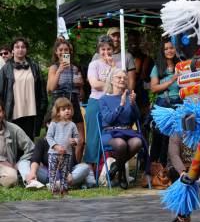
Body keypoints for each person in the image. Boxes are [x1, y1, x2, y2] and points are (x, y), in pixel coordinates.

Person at [99, 69, 146, 189]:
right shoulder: (104, 99)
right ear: (112, 80)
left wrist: (133, 103)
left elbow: (137, 117)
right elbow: (108, 119)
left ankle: (115, 166)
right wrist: (121, 105)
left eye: (124, 78)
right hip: (110, 132)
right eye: (119, 77)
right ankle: (122, 175)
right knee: (121, 144)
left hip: (127, 131)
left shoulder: (130, 95)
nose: (122, 80)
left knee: (137, 142)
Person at [26, 111, 91, 189]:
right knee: (31, 167)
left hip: (67, 173)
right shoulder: (41, 142)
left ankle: (58, 184)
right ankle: (64, 184)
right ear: (48, 124)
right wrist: (33, 172)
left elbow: (72, 161)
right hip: (49, 174)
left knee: (85, 168)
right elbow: (35, 159)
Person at [83, 35, 120, 171]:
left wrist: (113, 68)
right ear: (98, 50)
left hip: (112, 101)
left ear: (113, 49)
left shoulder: (118, 64)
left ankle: (112, 167)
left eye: (109, 49)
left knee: (113, 134)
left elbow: (121, 82)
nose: (106, 52)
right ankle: (90, 169)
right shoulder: (94, 64)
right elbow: (94, 84)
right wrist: (111, 83)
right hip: (96, 101)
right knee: (93, 135)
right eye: (103, 49)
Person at [0, 37, 48, 141]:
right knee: (13, 145)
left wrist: (42, 109)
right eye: (17, 47)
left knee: (29, 145)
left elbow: (42, 92)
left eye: (23, 47)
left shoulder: (35, 67)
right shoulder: (5, 69)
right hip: (13, 113)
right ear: (12, 50)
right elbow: (1, 93)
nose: (20, 49)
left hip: (31, 112)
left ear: (26, 50)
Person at [47, 38, 85, 163]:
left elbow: (81, 92)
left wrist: (80, 85)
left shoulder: (75, 68)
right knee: (58, 138)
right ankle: (57, 166)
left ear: (70, 51)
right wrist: (59, 71)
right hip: (59, 103)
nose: (63, 52)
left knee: (81, 139)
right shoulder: (53, 67)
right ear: (56, 52)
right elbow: (51, 88)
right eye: (61, 50)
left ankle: (76, 166)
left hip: (73, 101)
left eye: (66, 50)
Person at [150, 37, 180, 167]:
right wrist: (172, 80)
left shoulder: (181, 65)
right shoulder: (157, 68)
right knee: (160, 137)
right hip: (163, 105)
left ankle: (173, 166)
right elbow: (154, 88)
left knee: (176, 138)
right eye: (166, 49)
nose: (169, 51)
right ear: (162, 51)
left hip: (179, 104)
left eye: (171, 48)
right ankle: (156, 167)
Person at [46, 97, 79, 196]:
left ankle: (64, 189)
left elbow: (77, 137)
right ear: (58, 112)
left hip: (67, 153)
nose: (67, 111)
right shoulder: (54, 124)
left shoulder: (72, 125)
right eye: (63, 109)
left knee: (65, 172)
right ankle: (54, 190)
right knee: (53, 172)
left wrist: (74, 141)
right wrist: (56, 146)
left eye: (68, 109)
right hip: (54, 154)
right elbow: (49, 136)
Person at [0, 99, 36, 188]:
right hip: (3, 165)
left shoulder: (13, 129)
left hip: (7, 169)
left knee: (12, 178)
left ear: (3, 113)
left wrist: (19, 164)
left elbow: (31, 148)